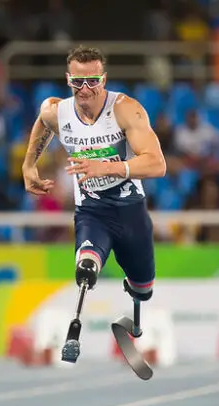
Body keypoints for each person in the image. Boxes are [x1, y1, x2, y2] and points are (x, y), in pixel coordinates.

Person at [21, 45, 166, 335]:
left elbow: (157, 164)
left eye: (92, 81)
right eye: (78, 82)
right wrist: (28, 165)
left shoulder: (126, 109)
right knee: (85, 272)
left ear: (104, 79)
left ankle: (136, 294)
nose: (85, 89)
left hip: (130, 210)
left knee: (144, 288)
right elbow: (43, 123)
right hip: (92, 211)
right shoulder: (57, 111)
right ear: (68, 80)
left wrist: (107, 167)